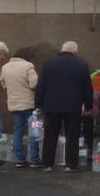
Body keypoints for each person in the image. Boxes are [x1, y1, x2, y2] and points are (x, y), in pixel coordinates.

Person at [35, 41, 94, 172]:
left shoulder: (49, 64)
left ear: (62, 50)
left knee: (50, 135)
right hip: (73, 107)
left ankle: (47, 164)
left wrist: (39, 104)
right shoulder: (81, 65)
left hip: (51, 106)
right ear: (76, 51)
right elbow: (87, 88)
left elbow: (41, 86)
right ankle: (71, 164)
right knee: (72, 135)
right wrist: (88, 105)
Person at [1, 47, 40, 169]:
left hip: (14, 103)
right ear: (27, 56)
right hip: (29, 103)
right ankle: (35, 160)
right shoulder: (28, 66)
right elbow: (34, 84)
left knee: (18, 131)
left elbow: (3, 83)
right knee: (33, 131)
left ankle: (20, 160)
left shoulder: (5, 67)